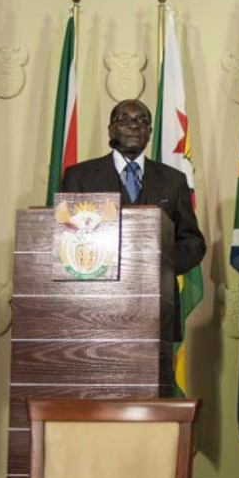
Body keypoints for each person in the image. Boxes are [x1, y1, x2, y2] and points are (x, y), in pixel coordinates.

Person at [61, 99, 206, 339]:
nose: (135, 126)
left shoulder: (174, 180)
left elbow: (192, 242)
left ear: (150, 132)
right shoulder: (79, 176)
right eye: (125, 120)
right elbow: (65, 238)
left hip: (157, 307)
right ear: (110, 129)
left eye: (142, 121)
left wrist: (160, 266)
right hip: (95, 308)